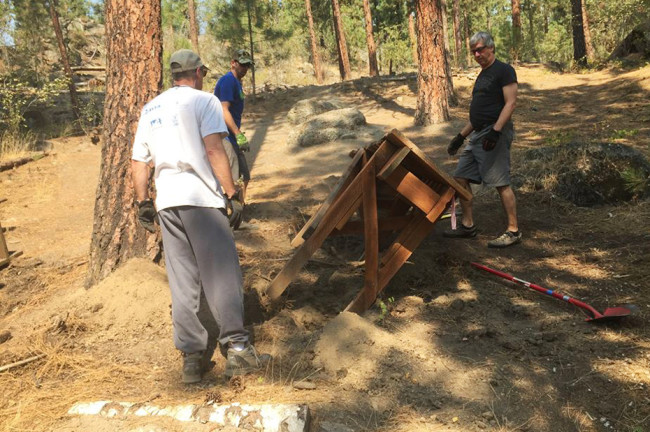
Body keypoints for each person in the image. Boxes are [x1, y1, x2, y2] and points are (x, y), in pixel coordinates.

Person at [131, 49, 270, 384]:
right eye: (203, 74)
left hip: (167, 204)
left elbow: (139, 161)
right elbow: (212, 148)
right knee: (222, 274)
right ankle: (237, 348)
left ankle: (192, 358)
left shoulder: (150, 108)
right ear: (196, 74)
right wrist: (232, 194)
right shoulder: (204, 101)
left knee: (182, 282)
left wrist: (143, 202)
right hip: (201, 200)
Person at [445, 31, 521, 248]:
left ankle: (513, 231)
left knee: (500, 182)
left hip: (494, 132)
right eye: (473, 51)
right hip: (478, 134)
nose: (477, 54)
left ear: (491, 47)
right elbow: (478, 114)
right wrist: (460, 137)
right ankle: (468, 226)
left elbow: (510, 103)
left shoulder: (504, 70)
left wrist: (496, 132)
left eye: (480, 49)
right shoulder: (482, 75)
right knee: (461, 178)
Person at [214, 49, 254, 203]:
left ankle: (241, 208)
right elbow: (223, 109)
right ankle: (235, 215)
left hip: (233, 136)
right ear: (233, 63)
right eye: (242, 65)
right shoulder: (228, 81)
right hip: (225, 137)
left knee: (245, 176)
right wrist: (238, 134)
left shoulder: (236, 82)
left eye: (247, 66)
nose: (245, 69)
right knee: (234, 178)